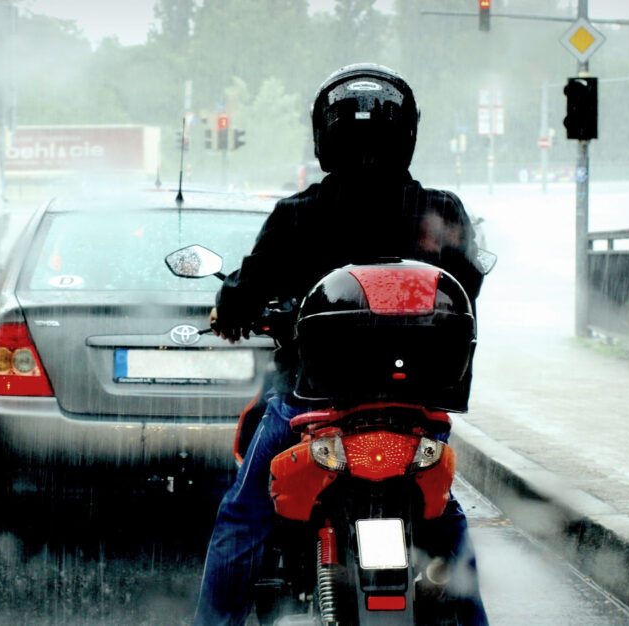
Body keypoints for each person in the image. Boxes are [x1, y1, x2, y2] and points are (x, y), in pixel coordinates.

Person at [193, 63, 489, 625]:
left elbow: (243, 294)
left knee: (243, 517)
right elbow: (467, 288)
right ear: (408, 136)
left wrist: (229, 310)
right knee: (447, 524)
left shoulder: (298, 216)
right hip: (413, 411)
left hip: (312, 409)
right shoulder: (442, 212)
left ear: (324, 139)